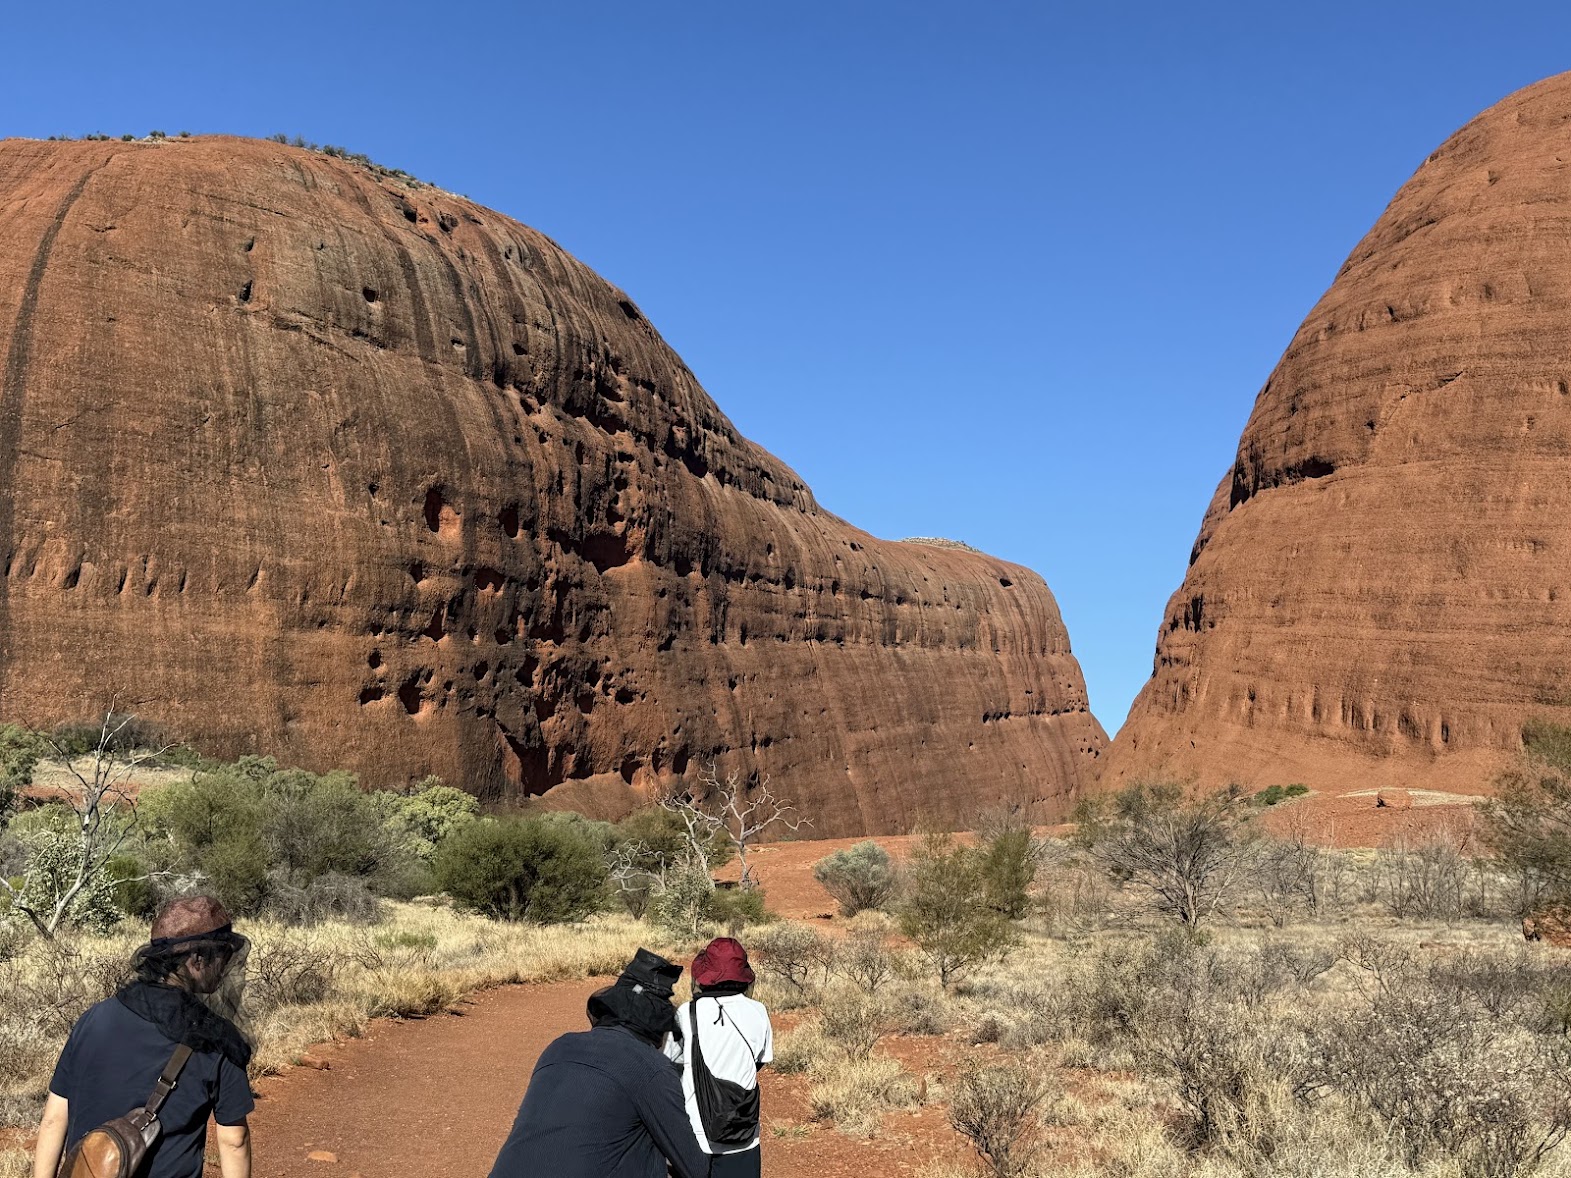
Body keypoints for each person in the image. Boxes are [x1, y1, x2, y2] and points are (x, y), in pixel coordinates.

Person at [33, 895, 254, 1178]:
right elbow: (235, 1141)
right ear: (197, 959)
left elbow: (54, 1120)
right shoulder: (216, 1038)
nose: (225, 966)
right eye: (222, 954)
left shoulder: (93, 1019)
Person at [488, 949, 711, 1178]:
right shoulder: (652, 1067)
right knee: (647, 1138)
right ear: (656, 1024)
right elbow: (695, 1168)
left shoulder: (559, 1047)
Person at [665, 937, 774, 1178]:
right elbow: (760, 1060)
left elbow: (670, 1063)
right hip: (743, 1133)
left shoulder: (687, 1013)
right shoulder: (759, 1011)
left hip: (696, 1133)